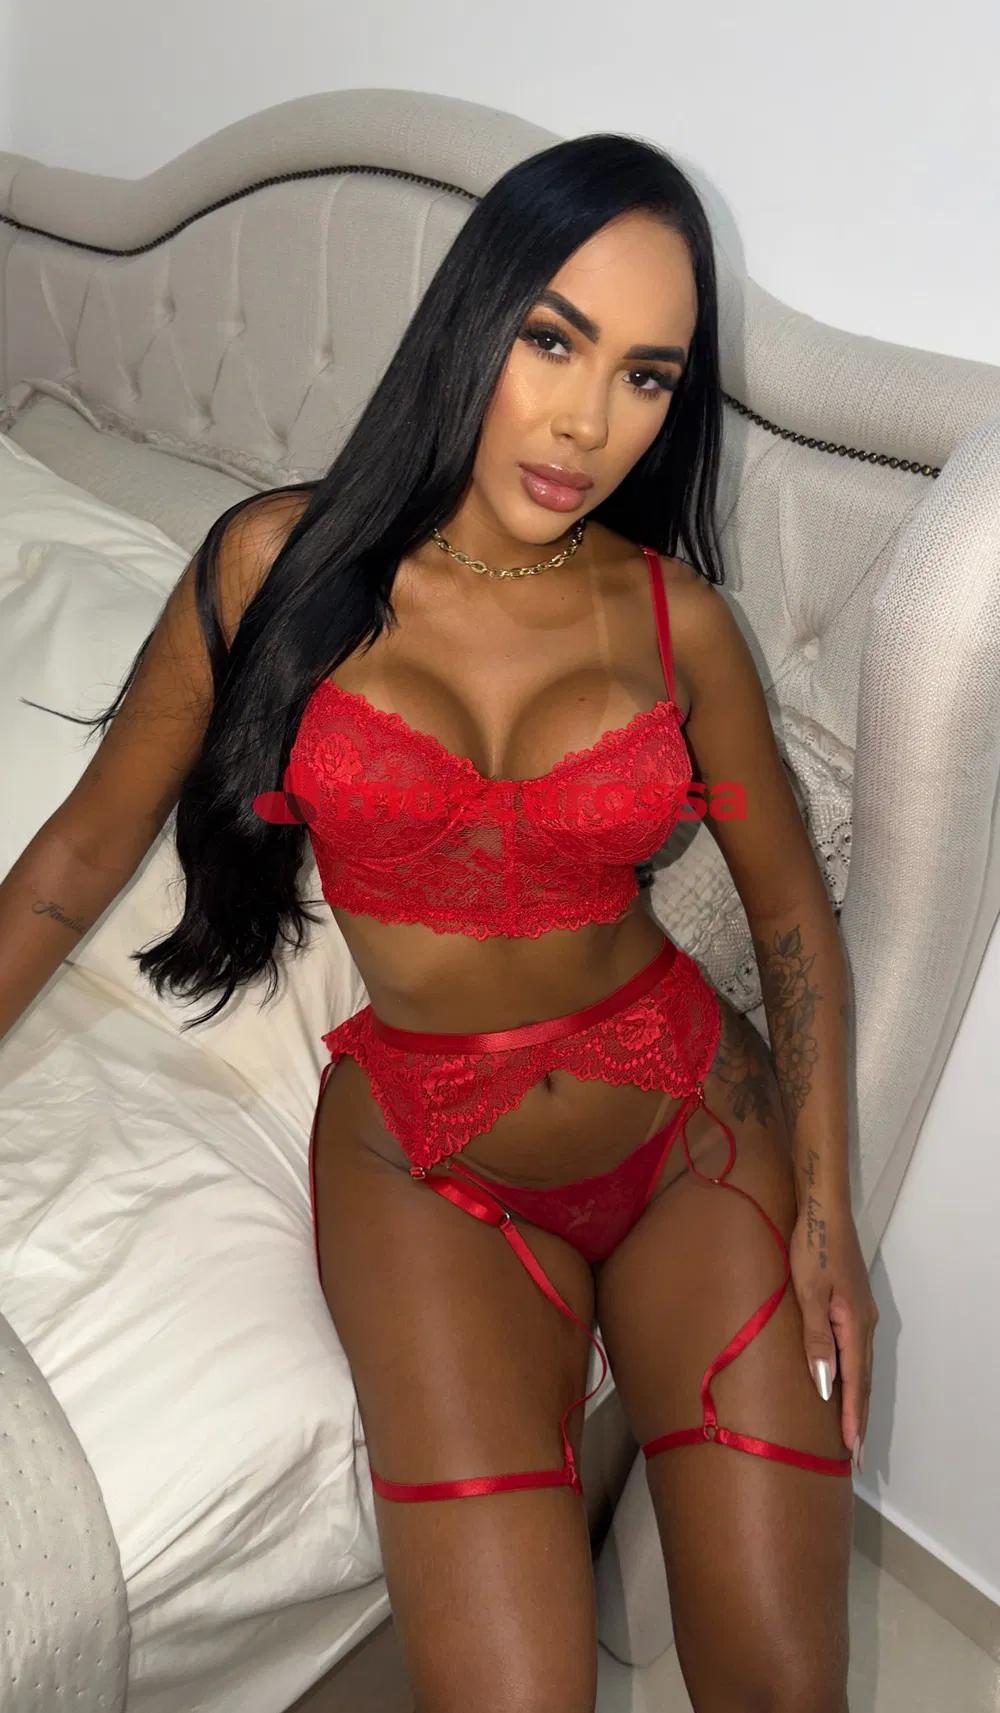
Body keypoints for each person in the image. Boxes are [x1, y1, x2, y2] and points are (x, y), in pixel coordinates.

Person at [0, 131, 878, 1711]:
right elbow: (76, 855)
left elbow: (792, 914)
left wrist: (828, 1210)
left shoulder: (682, 624)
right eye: (554, 339)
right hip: (427, 1156)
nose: (589, 421)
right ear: (475, 319)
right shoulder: (272, 567)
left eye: (648, 375)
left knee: (781, 1688)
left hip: (688, 1123)